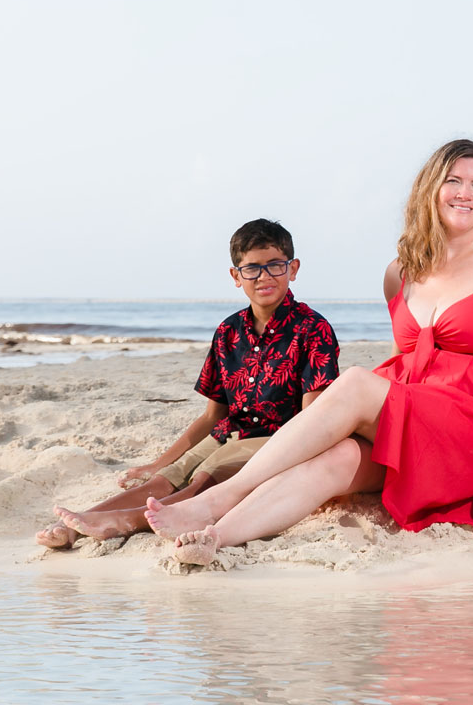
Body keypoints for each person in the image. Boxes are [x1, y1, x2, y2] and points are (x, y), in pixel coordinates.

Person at [143, 139, 473, 565]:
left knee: (354, 384)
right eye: (454, 181)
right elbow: (405, 359)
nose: (465, 193)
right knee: (337, 461)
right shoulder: (400, 272)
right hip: (418, 419)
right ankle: (217, 536)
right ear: (432, 189)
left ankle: (220, 497)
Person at [36, 219, 340, 549]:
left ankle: (129, 521)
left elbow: (311, 420)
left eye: (275, 266)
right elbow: (212, 417)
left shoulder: (313, 329)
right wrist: (158, 463)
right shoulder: (228, 331)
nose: (264, 276)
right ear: (236, 276)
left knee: (204, 477)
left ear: (292, 269)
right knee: (167, 478)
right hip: (229, 431)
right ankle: (79, 521)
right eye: (252, 268)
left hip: (279, 438)